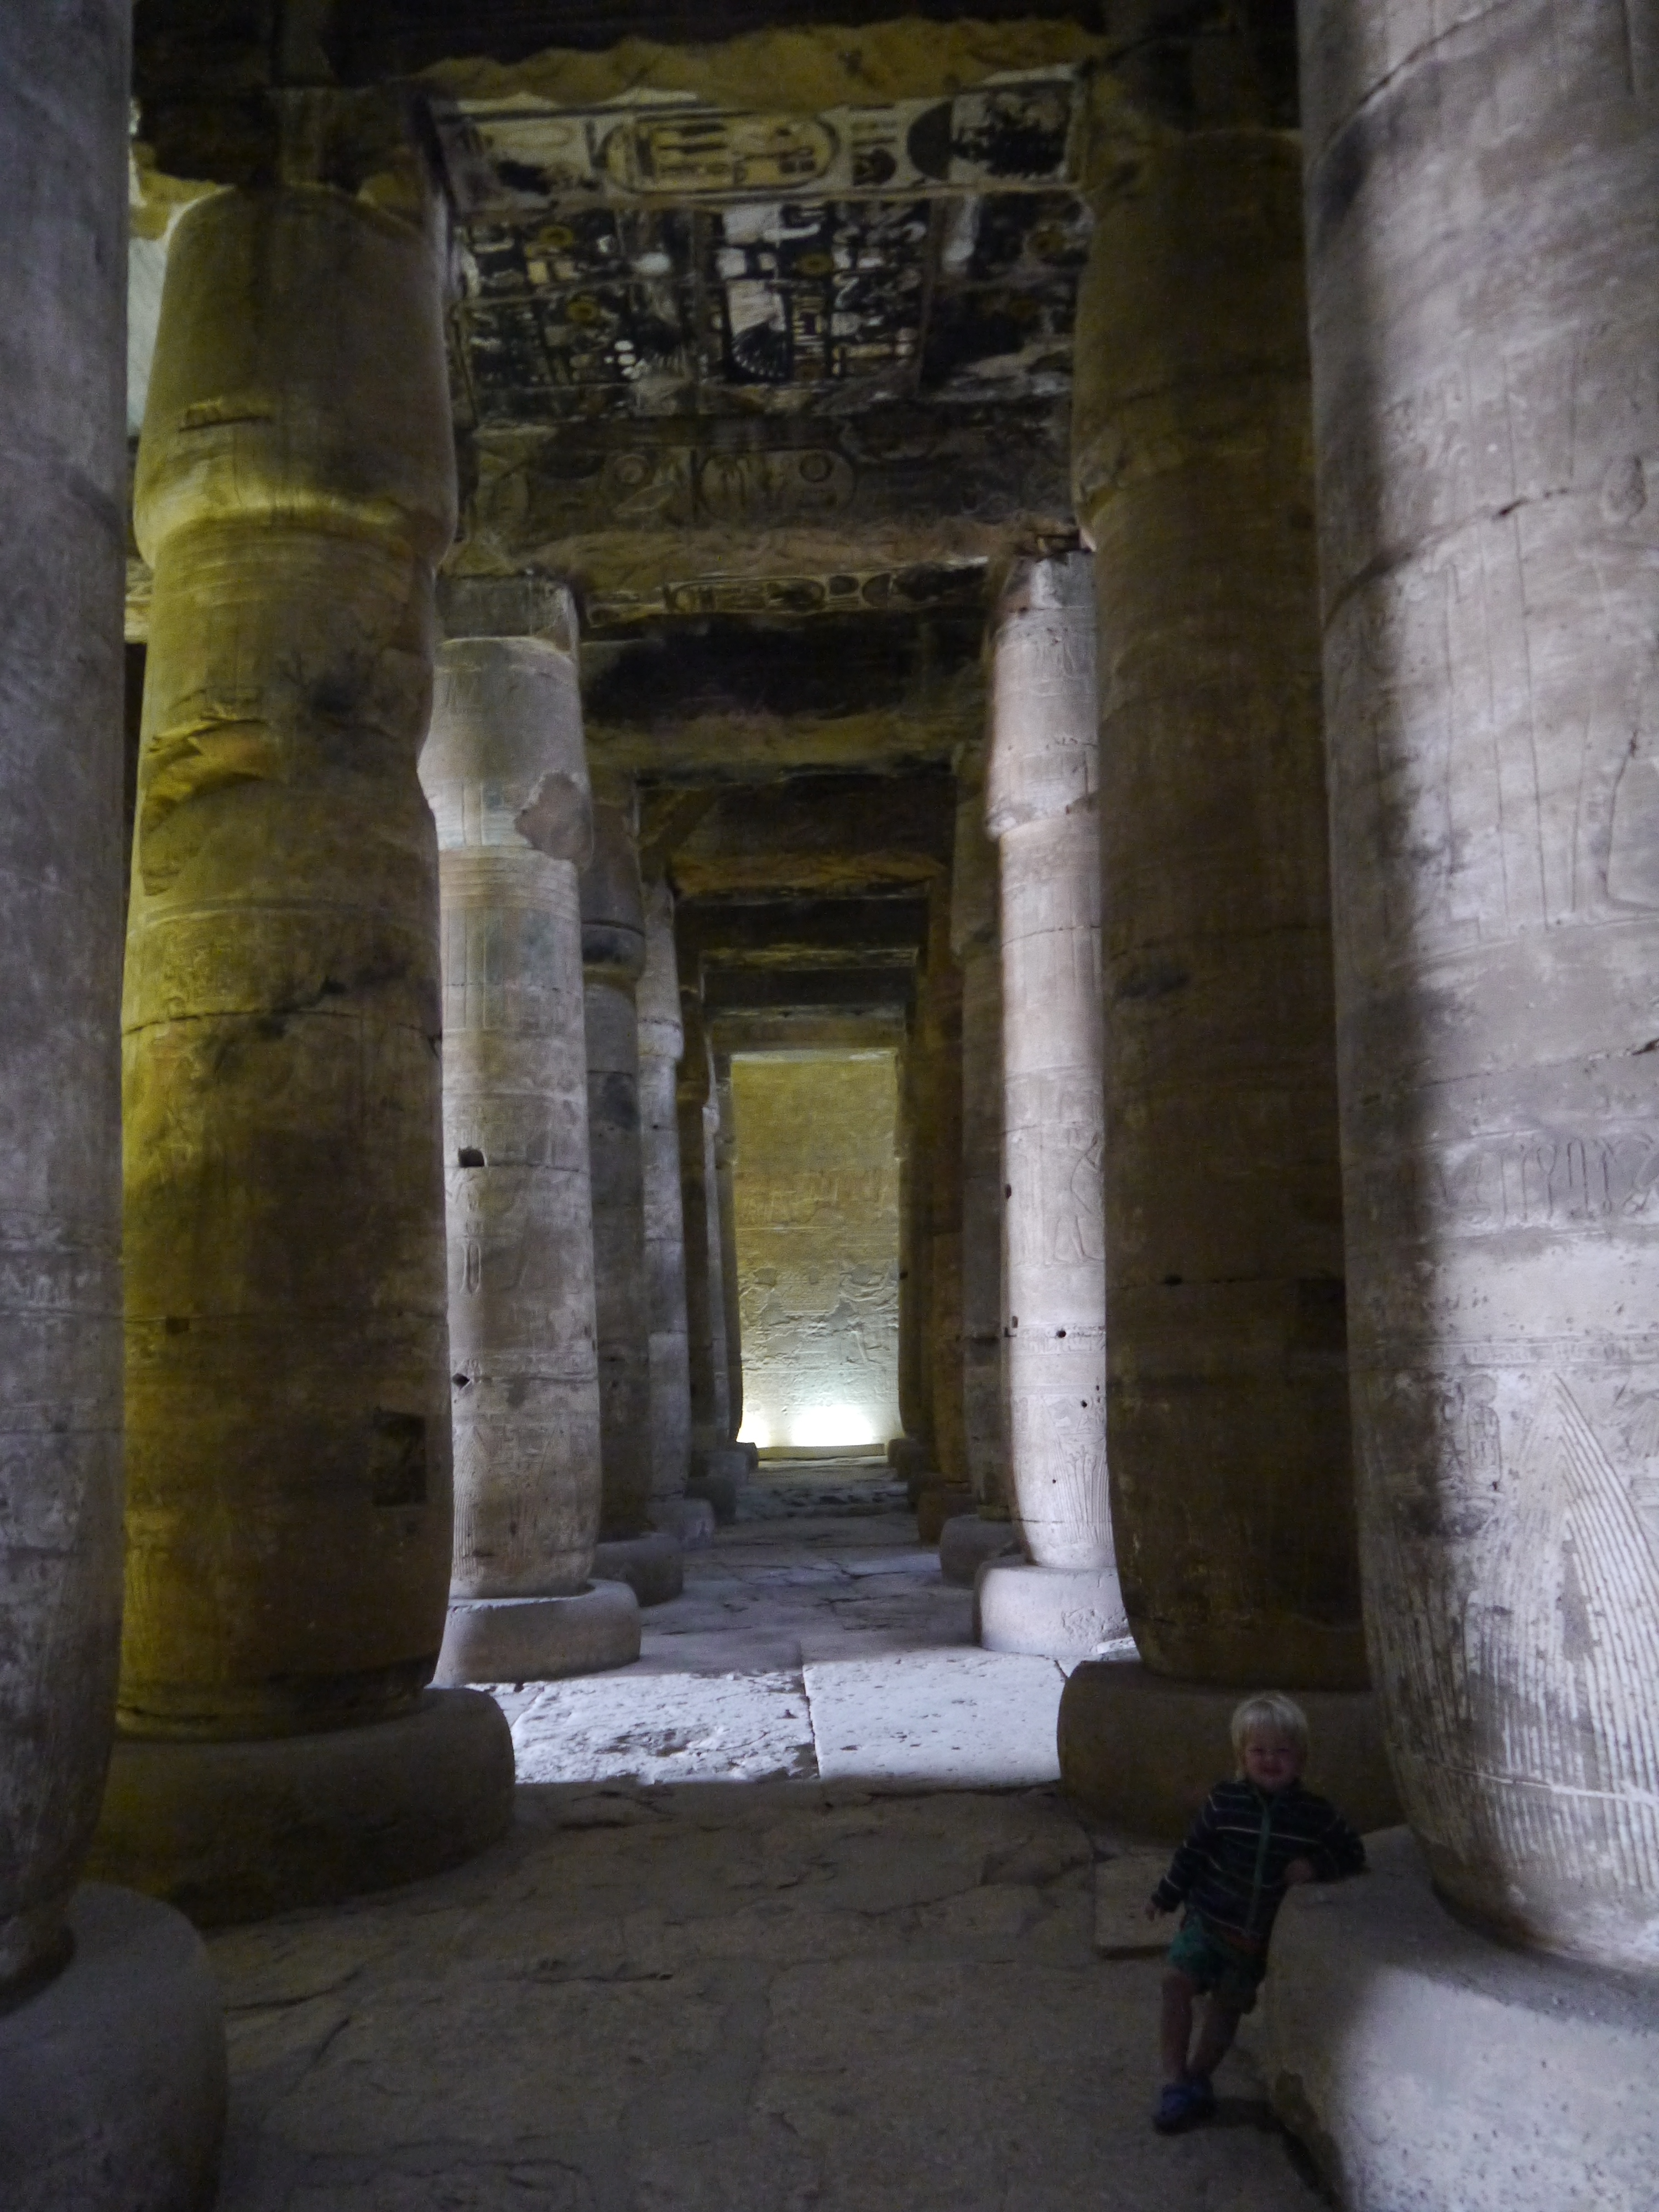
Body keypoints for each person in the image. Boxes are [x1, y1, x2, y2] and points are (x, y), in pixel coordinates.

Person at [1143, 1690, 1366, 2133]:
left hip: (1253, 1941)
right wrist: (1165, 1895)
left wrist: (1315, 1865)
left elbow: (1352, 1851)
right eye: (1258, 1751)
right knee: (1175, 1983)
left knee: (1225, 2010)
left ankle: (1198, 2079)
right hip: (1208, 1922)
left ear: (1301, 1758)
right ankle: (1173, 2079)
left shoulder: (1314, 1815)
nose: (1269, 1760)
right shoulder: (1224, 1803)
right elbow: (1192, 1853)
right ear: (1241, 1755)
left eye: (1282, 1751)